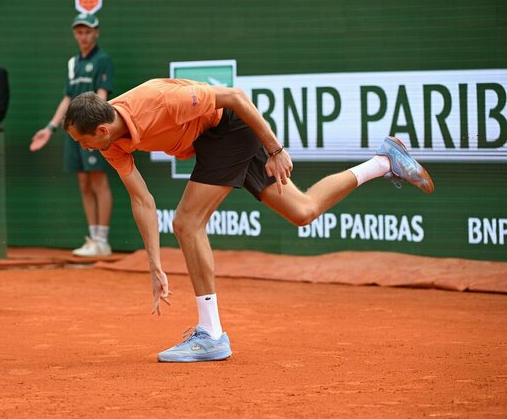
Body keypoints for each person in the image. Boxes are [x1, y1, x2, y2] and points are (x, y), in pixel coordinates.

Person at [62, 78, 435, 363]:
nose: (83, 147)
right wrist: (155, 265)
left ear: (101, 130)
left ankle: (211, 334)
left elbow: (236, 97)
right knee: (303, 211)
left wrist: (275, 149)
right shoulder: (111, 143)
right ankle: (384, 161)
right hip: (212, 141)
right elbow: (142, 200)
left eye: (82, 141)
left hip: (230, 129)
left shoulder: (158, 100)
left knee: (187, 222)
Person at [30, 13, 114, 257]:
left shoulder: (103, 60)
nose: (83, 36)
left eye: (88, 32)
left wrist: (94, 126)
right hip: (75, 132)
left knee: (98, 180)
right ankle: (93, 239)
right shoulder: (72, 63)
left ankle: (103, 241)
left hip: (92, 130)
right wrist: (50, 127)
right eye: (79, 32)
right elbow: (68, 98)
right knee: (83, 182)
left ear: (96, 32)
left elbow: (102, 96)